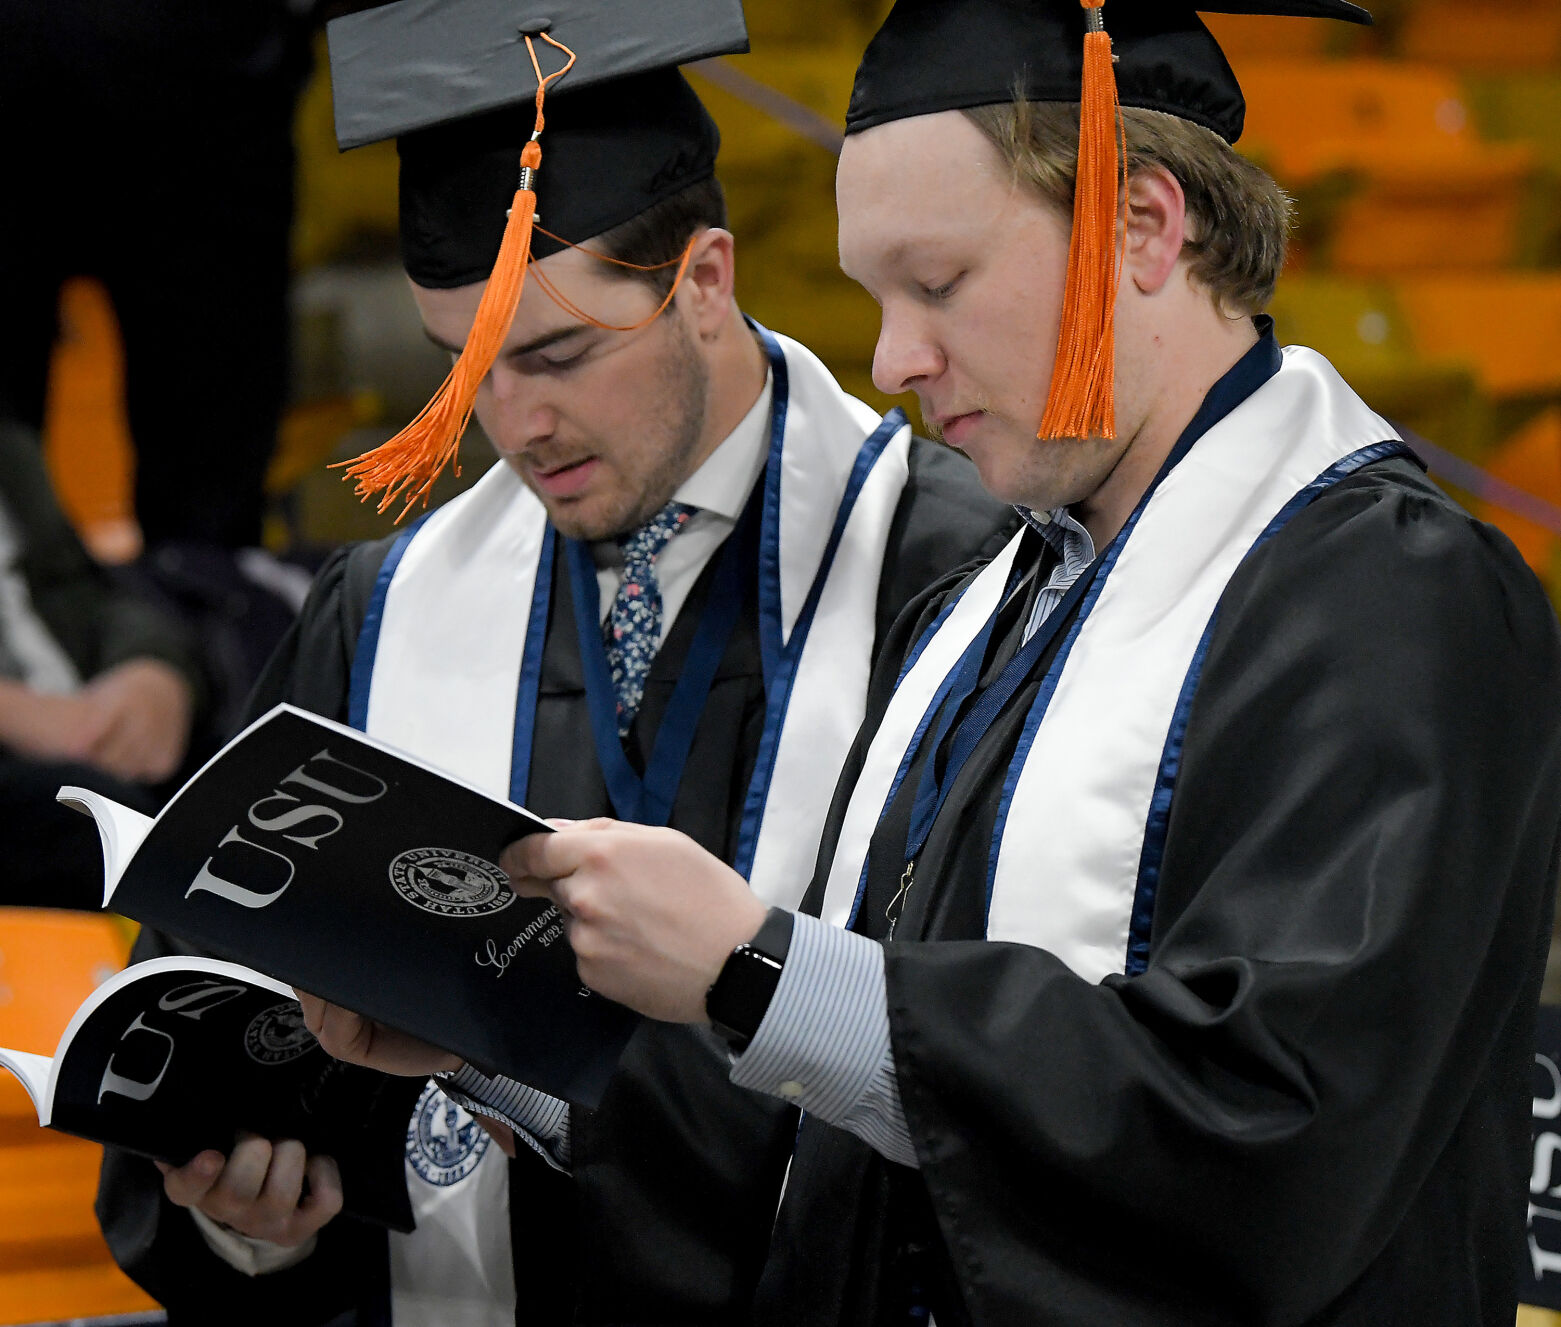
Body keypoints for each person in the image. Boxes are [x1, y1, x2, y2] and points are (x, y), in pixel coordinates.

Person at [306, 0, 1561, 1323]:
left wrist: (756, 964)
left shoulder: (1389, 596)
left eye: (938, 281)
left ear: (1141, 227)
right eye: (874, 298)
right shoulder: (992, 607)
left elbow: (1273, 1132)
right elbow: (842, 1155)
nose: (892, 359)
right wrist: (493, 1061)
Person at [95, 6, 1016, 1325]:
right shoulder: (391, 606)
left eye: (558, 353)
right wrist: (262, 1219)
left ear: (704, 280)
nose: (511, 424)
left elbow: (982, 1086)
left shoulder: (960, 579)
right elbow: (213, 1013)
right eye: (462, 367)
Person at [0, 418, 202, 909]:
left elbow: (87, 590)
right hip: (44, 772)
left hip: (90, 724)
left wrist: (154, 670)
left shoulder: (11, 447)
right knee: (98, 831)